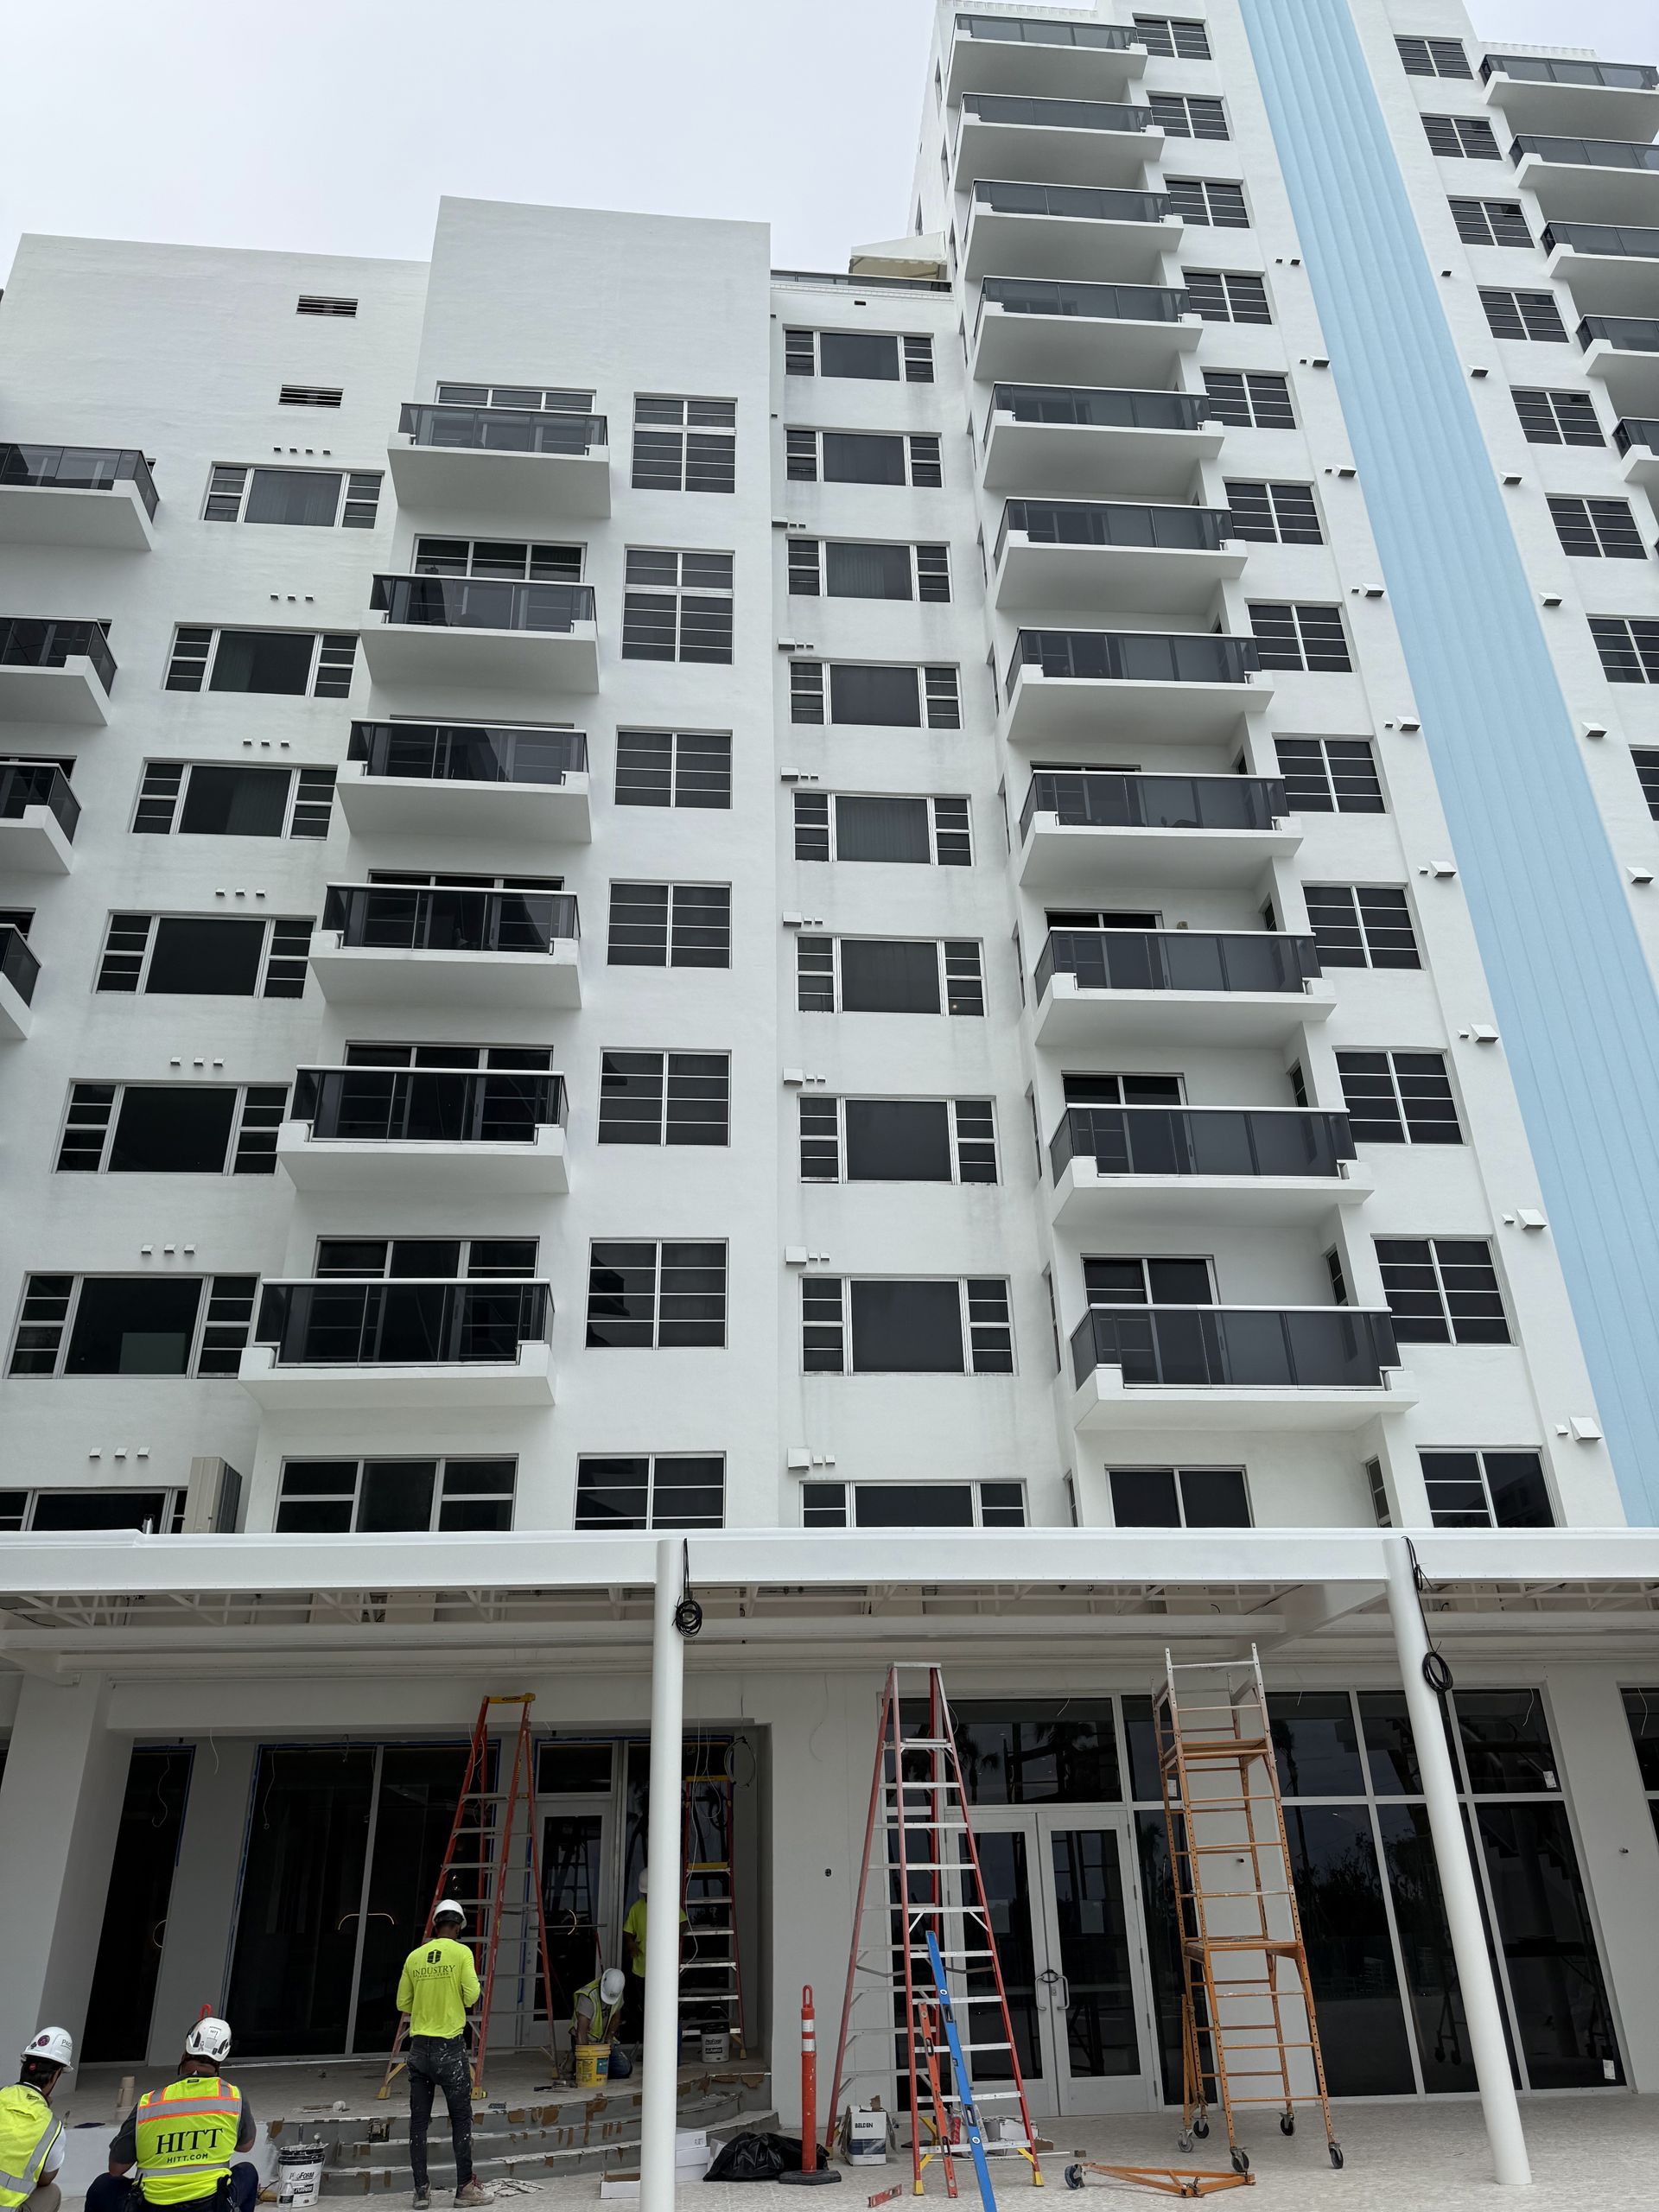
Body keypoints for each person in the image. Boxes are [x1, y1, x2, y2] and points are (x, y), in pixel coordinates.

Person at [87, 2015, 257, 2212]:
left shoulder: (149, 2102)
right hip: (211, 2205)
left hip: (151, 2207)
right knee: (247, 2172)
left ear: (186, 2051)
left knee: (103, 2186)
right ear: (222, 2057)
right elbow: (245, 2146)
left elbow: (116, 2169)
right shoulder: (233, 2098)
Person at [397, 1899, 493, 2210]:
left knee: (418, 2123)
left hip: (420, 2049)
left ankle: (421, 2191)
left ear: (436, 1925)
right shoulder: (462, 1953)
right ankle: (464, 2188)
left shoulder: (414, 1957)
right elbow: (471, 1995)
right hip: (449, 2049)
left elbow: (403, 2003)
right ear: (459, 1927)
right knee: (461, 2119)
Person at [0, 2027, 73, 2212]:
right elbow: (45, 2179)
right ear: (55, 2075)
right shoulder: (51, 2127)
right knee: (51, 2193)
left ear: (25, 2065)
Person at [620, 1869, 686, 2046]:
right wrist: (631, 1943)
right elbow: (627, 1932)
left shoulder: (668, 1904)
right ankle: (650, 2045)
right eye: (645, 1894)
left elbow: (683, 1923)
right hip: (642, 1969)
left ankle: (663, 2047)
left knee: (663, 2010)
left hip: (663, 1971)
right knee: (646, 2010)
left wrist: (669, 1938)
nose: (648, 1897)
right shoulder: (637, 1908)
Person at [569, 1968, 626, 2053]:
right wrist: (586, 2056)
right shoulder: (588, 1996)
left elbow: (616, 2015)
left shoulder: (616, 1993)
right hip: (586, 2041)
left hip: (603, 2041)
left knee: (622, 2066)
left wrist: (609, 2037)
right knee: (591, 2065)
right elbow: (581, 2031)